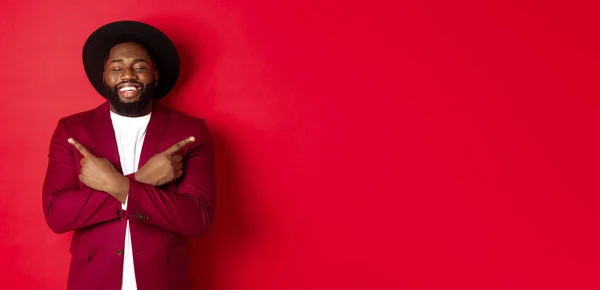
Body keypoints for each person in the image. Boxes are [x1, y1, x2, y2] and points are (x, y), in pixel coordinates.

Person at [41, 20, 215, 290]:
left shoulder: (190, 131)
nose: (128, 75)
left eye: (140, 66)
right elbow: (57, 216)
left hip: (164, 280)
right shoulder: (72, 129)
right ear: (105, 76)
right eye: (117, 67)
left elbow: (198, 219)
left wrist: (117, 185)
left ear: (155, 76)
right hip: (93, 279)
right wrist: (143, 179)